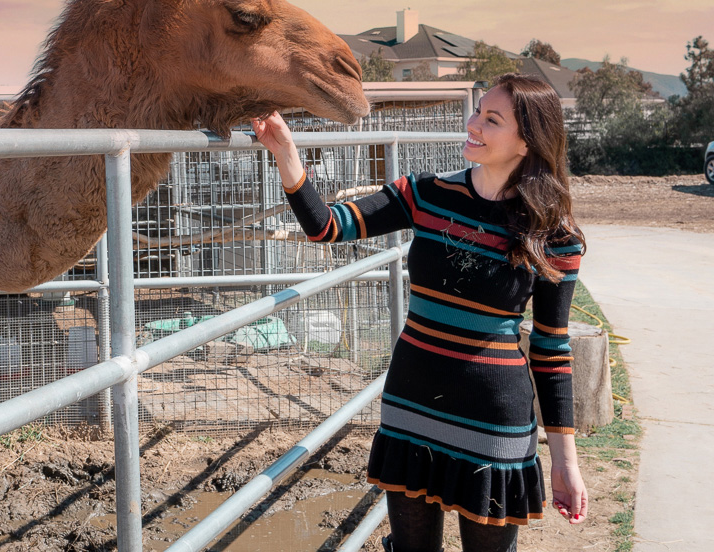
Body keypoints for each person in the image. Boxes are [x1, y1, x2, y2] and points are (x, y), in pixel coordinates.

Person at [251, 73, 587, 552]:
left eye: (491, 119)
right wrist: (285, 152)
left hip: (494, 424)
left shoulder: (555, 236)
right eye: (476, 112)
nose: (473, 124)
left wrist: (564, 462)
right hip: (413, 408)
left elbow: (552, 349)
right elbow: (327, 226)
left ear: (527, 141)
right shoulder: (425, 194)